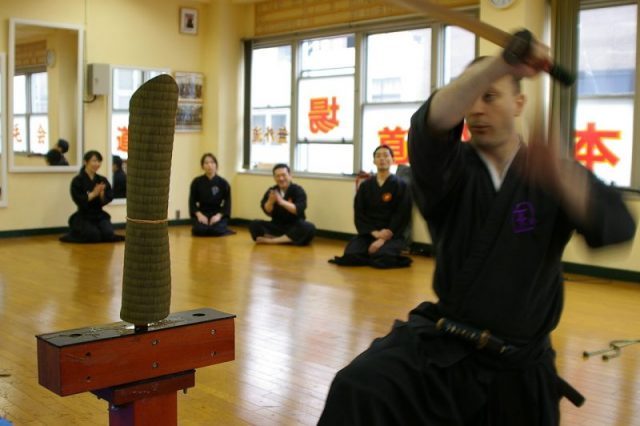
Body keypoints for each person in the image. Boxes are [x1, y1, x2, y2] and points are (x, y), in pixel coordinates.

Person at [318, 31, 636, 426]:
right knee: (360, 387)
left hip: (521, 364)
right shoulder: (449, 171)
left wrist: (563, 181)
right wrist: (504, 63)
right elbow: (430, 123)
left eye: (491, 96)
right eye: (471, 97)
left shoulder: (552, 172)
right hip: (445, 350)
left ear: (519, 103)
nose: (477, 109)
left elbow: (620, 228)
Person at [329, 145, 412, 268]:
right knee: (351, 254)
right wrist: (375, 234)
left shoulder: (401, 185)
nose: (382, 159)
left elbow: (402, 214)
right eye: (378, 156)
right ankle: (373, 256)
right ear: (374, 161)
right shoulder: (365, 186)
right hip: (369, 233)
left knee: (384, 256)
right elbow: (359, 214)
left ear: (393, 160)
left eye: (386, 155)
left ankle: (375, 255)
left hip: (391, 235)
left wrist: (383, 238)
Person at [60, 150, 124, 243]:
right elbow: (79, 200)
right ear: (86, 162)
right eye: (94, 161)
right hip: (84, 215)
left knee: (108, 234)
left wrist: (101, 194)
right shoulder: (78, 180)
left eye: (99, 161)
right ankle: (74, 233)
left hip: (99, 215)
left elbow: (107, 198)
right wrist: (94, 193)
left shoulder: (101, 179)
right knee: (93, 236)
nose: (97, 164)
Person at [249, 163, 315, 245]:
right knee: (254, 224)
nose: (281, 178)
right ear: (274, 178)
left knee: (309, 227)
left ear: (290, 175)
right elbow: (266, 211)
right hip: (276, 226)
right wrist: (270, 202)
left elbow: (299, 209)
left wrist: (281, 202)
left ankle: (272, 240)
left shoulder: (298, 190)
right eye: (278, 176)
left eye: (284, 175)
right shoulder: (272, 190)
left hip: (294, 226)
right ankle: (286, 239)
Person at [189, 153, 234, 237]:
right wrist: (200, 215)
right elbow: (192, 202)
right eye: (206, 163)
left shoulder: (223, 183)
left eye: (212, 162)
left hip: (217, 212)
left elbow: (227, 203)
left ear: (216, 165)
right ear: (202, 166)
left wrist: (218, 216)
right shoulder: (196, 182)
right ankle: (207, 227)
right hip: (202, 212)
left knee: (217, 230)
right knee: (199, 230)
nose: (209, 165)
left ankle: (217, 227)